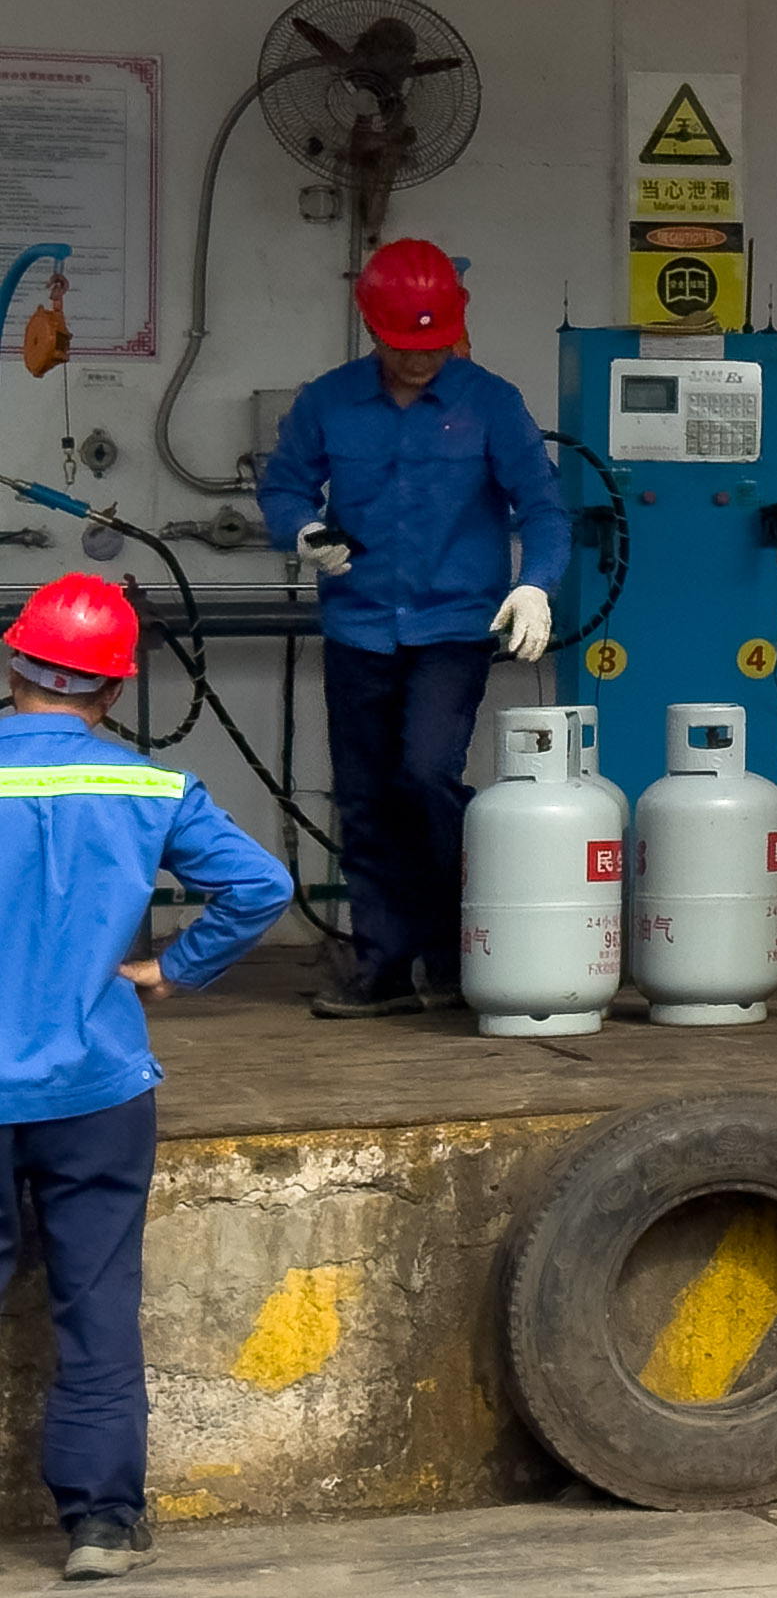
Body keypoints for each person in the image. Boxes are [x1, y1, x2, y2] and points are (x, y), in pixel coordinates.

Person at [0, 574, 294, 1580]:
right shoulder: (152, 787)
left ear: (13, 662)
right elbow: (261, 883)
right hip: (98, 1089)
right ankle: (101, 1524)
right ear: (114, 689)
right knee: (96, 1302)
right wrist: (174, 968)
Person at [253, 240, 569, 1021]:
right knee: (365, 795)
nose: (421, 360)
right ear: (373, 328)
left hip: (455, 626)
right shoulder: (329, 401)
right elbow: (285, 485)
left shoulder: (491, 402)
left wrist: (535, 584)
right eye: (404, 345)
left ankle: (460, 949)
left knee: (426, 775)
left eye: (434, 345)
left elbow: (543, 505)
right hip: (358, 625)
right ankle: (384, 967)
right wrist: (303, 531)